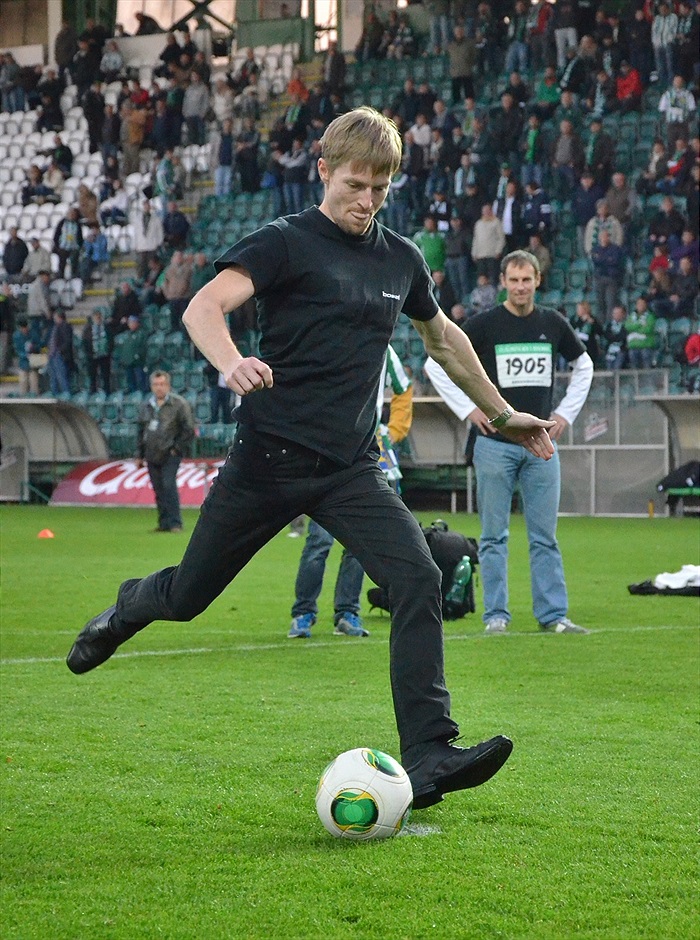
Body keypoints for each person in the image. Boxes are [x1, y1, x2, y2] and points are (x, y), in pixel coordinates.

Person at [66, 107, 558, 811]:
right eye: (355, 184)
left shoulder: (401, 258)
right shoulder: (284, 243)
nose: (366, 201)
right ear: (324, 169)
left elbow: (444, 339)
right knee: (188, 597)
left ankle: (427, 752)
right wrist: (232, 363)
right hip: (266, 460)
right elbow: (205, 308)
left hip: (350, 468)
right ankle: (125, 610)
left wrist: (505, 416)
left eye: (380, 190)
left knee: (418, 576)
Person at [425, 250, 593, 636]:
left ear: (537, 280)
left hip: (541, 445)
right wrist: (469, 410)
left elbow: (584, 365)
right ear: (502, 281)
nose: (520, 287)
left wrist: (566, 413)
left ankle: (554, 616)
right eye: (514, 280)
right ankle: (496, 616)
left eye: (527, 279)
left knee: (545, 536)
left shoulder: (552, 323)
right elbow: (435, 363)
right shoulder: (483, 324)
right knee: (493, 536)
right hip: (495, 444)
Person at [288, 345, 413, 640]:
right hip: (327, 456)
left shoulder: (384, 349)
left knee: (359, 545)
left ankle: (347, 612)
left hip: (365, 457)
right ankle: (303, 613)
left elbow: (403, 390)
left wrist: (393, 431)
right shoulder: (330, 340)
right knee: (319, 541)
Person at [137, 370, 194, 533]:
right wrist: (139, 455)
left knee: (168, 485)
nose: (159, 388)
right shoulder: (146, 406)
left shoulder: (179, 404)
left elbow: (188, 429)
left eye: (162, 384)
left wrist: (177, 449)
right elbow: (140, 430)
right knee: (158, 489)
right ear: (151, 386)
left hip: (170, 453)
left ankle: (175, 523)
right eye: (156, 385)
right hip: (151, 453)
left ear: (168, 386)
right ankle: (164, 523)